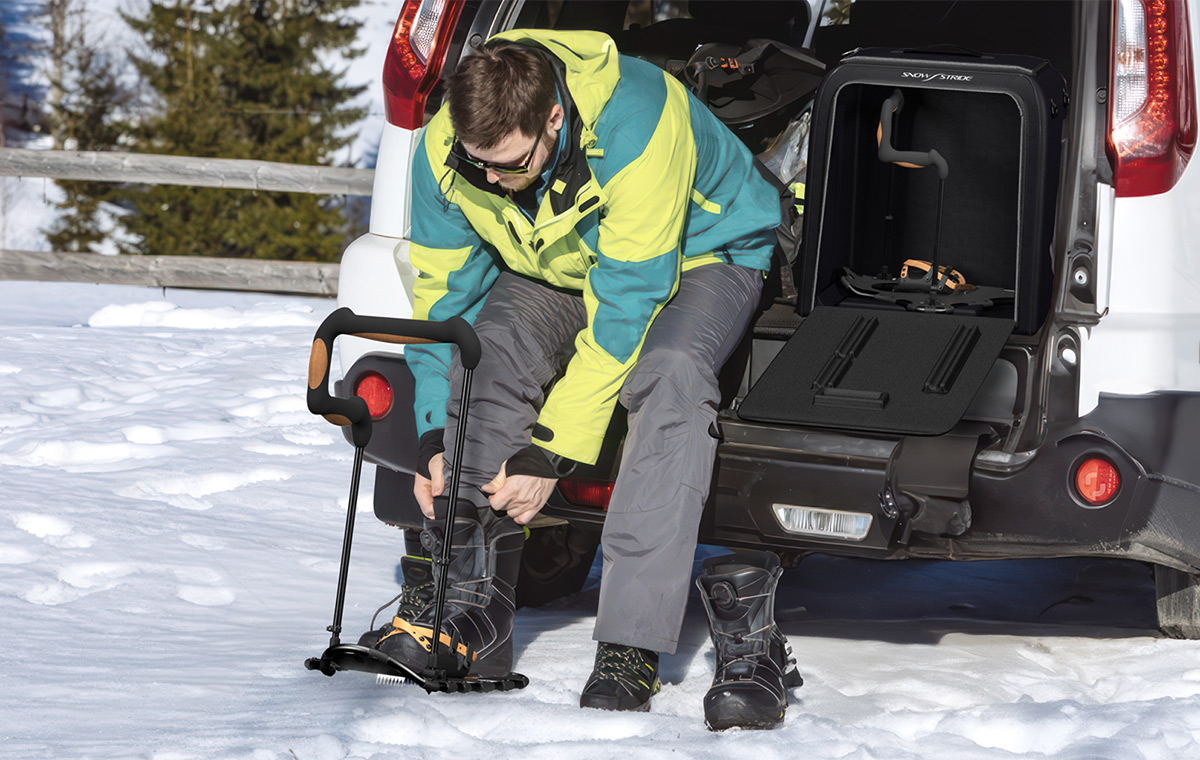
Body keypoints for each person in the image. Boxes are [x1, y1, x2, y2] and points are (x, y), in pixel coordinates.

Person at [358, 28, 801, 728]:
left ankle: (631, 643)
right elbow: (443, 298)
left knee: (671, 377)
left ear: (554, 119)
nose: (492, 180)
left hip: (699, 255)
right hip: (560, 264)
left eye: (508, 164)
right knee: (490, 349)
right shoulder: (453, 146)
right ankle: (469, 617)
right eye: (480, 164)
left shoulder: (638, 121)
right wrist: (433, 435)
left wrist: (548, 455)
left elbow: (628, 302)